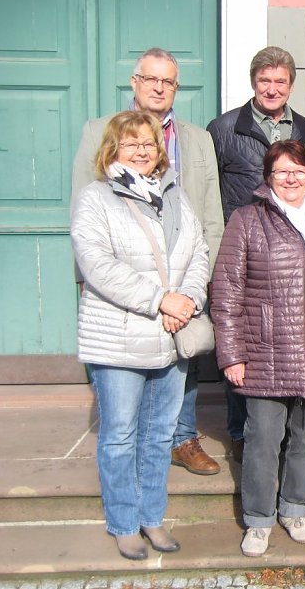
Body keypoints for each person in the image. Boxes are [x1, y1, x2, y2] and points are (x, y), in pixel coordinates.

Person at [72, 47, 224, 477]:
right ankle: (131, 438)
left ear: (176, 88)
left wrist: (200, 285)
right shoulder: (99, 130)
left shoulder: (197, 137)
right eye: (151, 79)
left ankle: (183, 437)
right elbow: (81, 201)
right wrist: (84, 276)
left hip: (184, 270)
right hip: (126, 272)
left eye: (168, 81)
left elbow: (210, 210)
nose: (159, 87)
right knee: (125, 362)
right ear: (135, 83)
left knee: (185, 354)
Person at [71, 110, 210, 560]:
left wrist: (188, 299)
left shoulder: (175, 196)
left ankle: (152, 518)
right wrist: (160, 300)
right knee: (119, 436)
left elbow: (198, 253)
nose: (141, 151)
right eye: (130, 144)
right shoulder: (96, 199)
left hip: (170, 337)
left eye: (148, 144)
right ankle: (124, 522)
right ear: (113, 150)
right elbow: (98, 265)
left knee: (158, 436)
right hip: (119, 339)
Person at [210, 140, 305, 558]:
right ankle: (258, 518)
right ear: (268, 178)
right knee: (263, 441)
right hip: (265, 350)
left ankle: (296, 508)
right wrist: (232, 353)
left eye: (299, 170)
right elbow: (227, 290)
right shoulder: (247, 220)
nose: (291, 178)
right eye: (281, 171)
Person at [208, 46, 305, 462]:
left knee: (282, 340)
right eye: (264, 81)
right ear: (253, 82)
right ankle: (240, 430)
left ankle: (286, 431)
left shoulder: (304, 129)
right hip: (242, 248)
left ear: (291, 85)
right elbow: (209, 189)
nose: (272, 89)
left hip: (289, 252)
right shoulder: (223, 128)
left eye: (281, 82)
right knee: (242, 339)